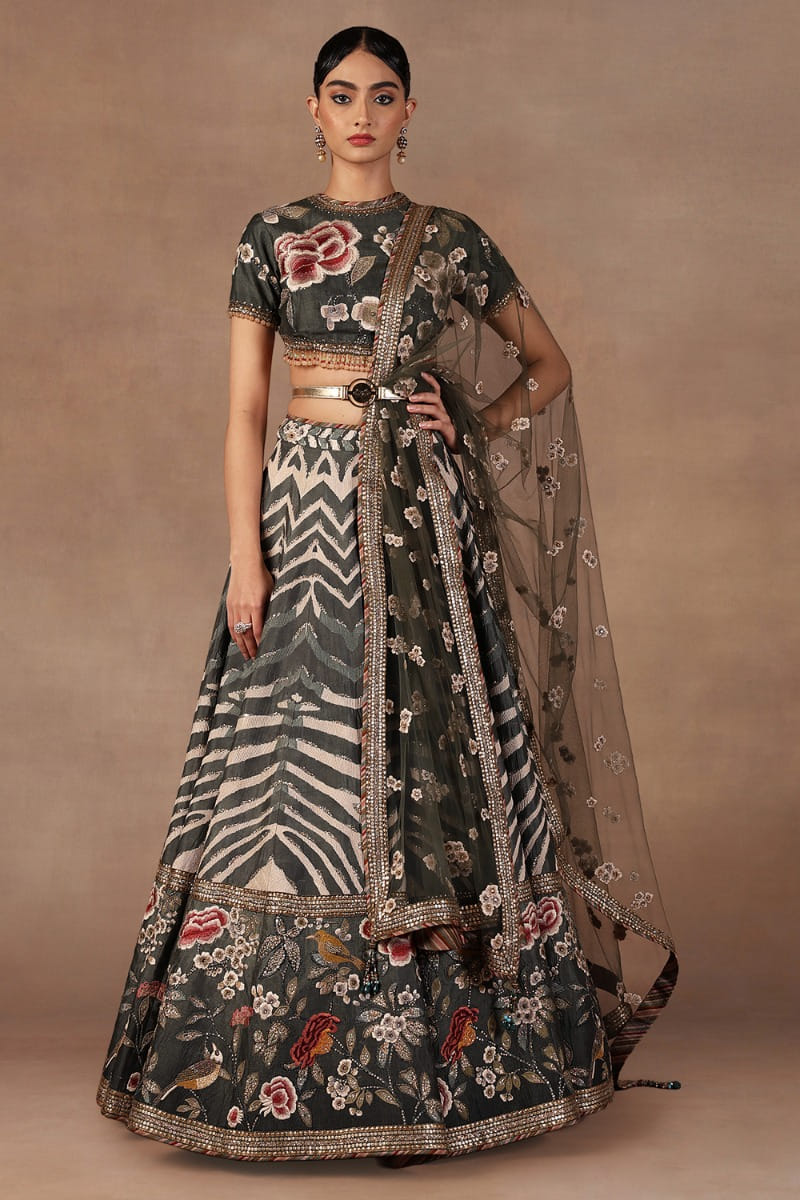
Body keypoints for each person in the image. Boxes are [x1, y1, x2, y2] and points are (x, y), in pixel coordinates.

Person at [96, 25, 678, 1166]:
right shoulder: (270, 237)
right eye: (340, 94)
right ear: (310, 109)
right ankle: (268, 1066)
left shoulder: (449, 239)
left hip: (416, 518)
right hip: (303, 512)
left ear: (410, 112)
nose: (360, 114)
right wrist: (247, 555)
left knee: (436, 758)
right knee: (286, 771)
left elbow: (548, 366)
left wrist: (468, 421)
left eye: (382, 95)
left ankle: (439, 1068)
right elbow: (244, 413)